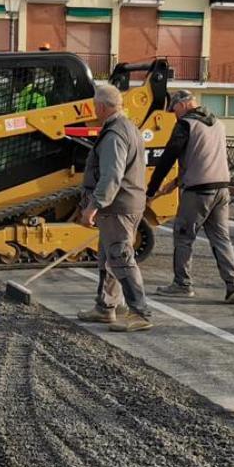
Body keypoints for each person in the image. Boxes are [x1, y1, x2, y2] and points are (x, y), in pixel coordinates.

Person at [148, 89, 234, 304]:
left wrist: (151, 190)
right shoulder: (217, 123)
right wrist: (173, 185)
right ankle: (233, 285)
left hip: (198, 192)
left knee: (183, 236)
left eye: (173, 110)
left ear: (182, 105)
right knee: (221, 238)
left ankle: (182, 284)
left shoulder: (185, 125)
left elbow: (167, 158)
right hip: (221, 189)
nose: (173, 114)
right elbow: (202, 158)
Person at [76, 83, 152, 333]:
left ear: (101, 106)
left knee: (120, 256)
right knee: (109, 256)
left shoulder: (115, 134)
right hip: (123, 203)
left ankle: (139, 312)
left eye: (94, 106)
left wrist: (93, 206)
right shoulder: (127, 127)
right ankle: (105, 307)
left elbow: (111, 176)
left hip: (118, 206)